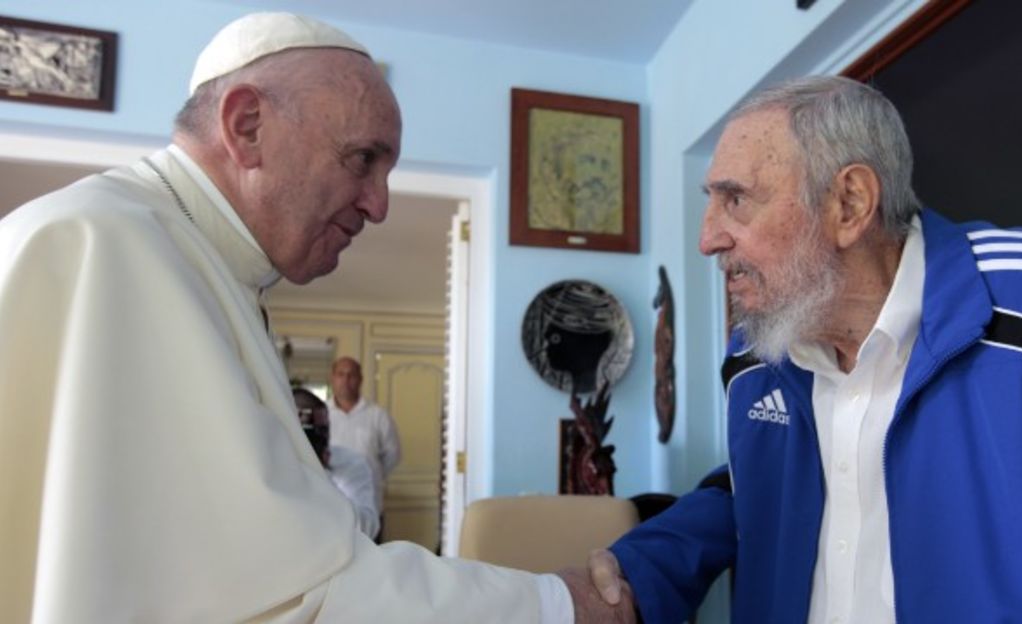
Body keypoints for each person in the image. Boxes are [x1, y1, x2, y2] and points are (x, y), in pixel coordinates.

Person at [0, 12, 629, 622]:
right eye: (362, 159)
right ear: (247, 126)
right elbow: (291, 597)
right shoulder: (102, 247)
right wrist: (557, 605)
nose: (379, 205)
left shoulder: (190, 257)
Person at [577, 76, 1022, 623]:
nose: (707, 238)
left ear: (850, 204)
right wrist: (641, 569)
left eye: (736, 199)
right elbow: (757, 485)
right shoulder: (755, 357)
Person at [327, 356, 401, 540]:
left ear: (360, 379)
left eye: (352, 375)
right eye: (341, 374)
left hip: (369, 508)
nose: (346, 380)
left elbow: (392, 454)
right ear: (333, 378)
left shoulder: (377, 415)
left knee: (372, 564)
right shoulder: (322, 413)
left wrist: (369, 474)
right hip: (328, 511)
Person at [294, 387, 382, 540]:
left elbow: (367, 527)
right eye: (308, 432)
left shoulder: (351, 463)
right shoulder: (268, 470)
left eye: (322, 430)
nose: (318, 439)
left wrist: (321, 473)